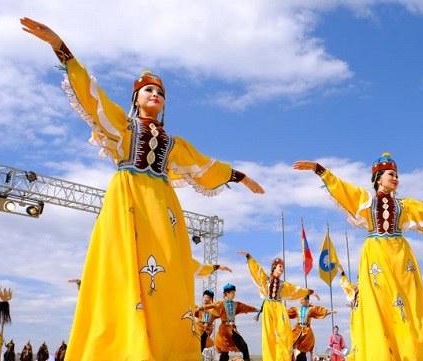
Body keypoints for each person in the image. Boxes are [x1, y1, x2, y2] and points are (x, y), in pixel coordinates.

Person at [20, 17, 264, 361]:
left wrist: (240, 177)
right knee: (125, 267)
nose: (156, 95)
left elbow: (204, 165)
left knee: (166, 273)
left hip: (163, 206)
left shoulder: (172, 142)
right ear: (136, 98)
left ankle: (164, 347)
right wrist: (61, 48)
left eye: (161, 92)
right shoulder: (123, 126)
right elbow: (93, 100)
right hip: (129, 198)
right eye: (149, 90)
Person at [293, 153, 423, 361]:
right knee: (379, 307)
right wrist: (319, 169)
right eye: (391, 174)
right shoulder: (366, 201)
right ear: (378, 178)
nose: (396, 178)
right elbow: (342, 188)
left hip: (401, 257)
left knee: (409, 306)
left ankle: (410, 354)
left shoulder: (404, 205)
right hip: (376, 255)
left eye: (397, 175)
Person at [238, 252, 319, 361]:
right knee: (269, 335)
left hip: (279, 307)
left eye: (283, 267)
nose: (282, 269)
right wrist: (249, 256)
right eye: (280, 266)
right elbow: (257, 270)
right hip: (268, 307)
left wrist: (310, 291)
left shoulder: (283, 285)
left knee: (284, 332)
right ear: (274, 268)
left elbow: (295, 289)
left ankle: (283, 358)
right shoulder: (266, 280)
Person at [199, 284, 258, 361]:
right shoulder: (220, 303)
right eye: (232, 293)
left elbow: (246, 307)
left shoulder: (236, 304)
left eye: (234, 292)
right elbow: (212, 306)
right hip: (224, 331)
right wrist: (202, 307)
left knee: (244, 346)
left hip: (232, 329)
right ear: (227, 293)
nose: (234, 294)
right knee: (224, 352)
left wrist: (257, 310)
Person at [288, 295, 336, 361]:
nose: (301, 301)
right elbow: (287, 313)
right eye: (300, 299)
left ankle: (302, 357)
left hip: (306, 331)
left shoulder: (310, 310)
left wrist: (329, 312)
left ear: (307, 300)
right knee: (290, 343)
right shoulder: (297, 310)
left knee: (304, 349)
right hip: (297, 330)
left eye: (303, 299)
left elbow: (319, 311)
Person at [337, 264, 358, 361]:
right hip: (357, 315)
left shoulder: (369, 290)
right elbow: (346, 284)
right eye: (358, 280)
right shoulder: (356, 290)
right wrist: (341, 271)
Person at [195, 290, 217, 354]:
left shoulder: (213, 310)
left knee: (203, 339)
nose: (205, 299)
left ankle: (198, 354)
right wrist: (198, 309)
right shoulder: (200, 307)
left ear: (211, 299)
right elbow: (191, 312)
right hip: (199, 328)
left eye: (207, 297)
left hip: (206, 331)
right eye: (204, 297)